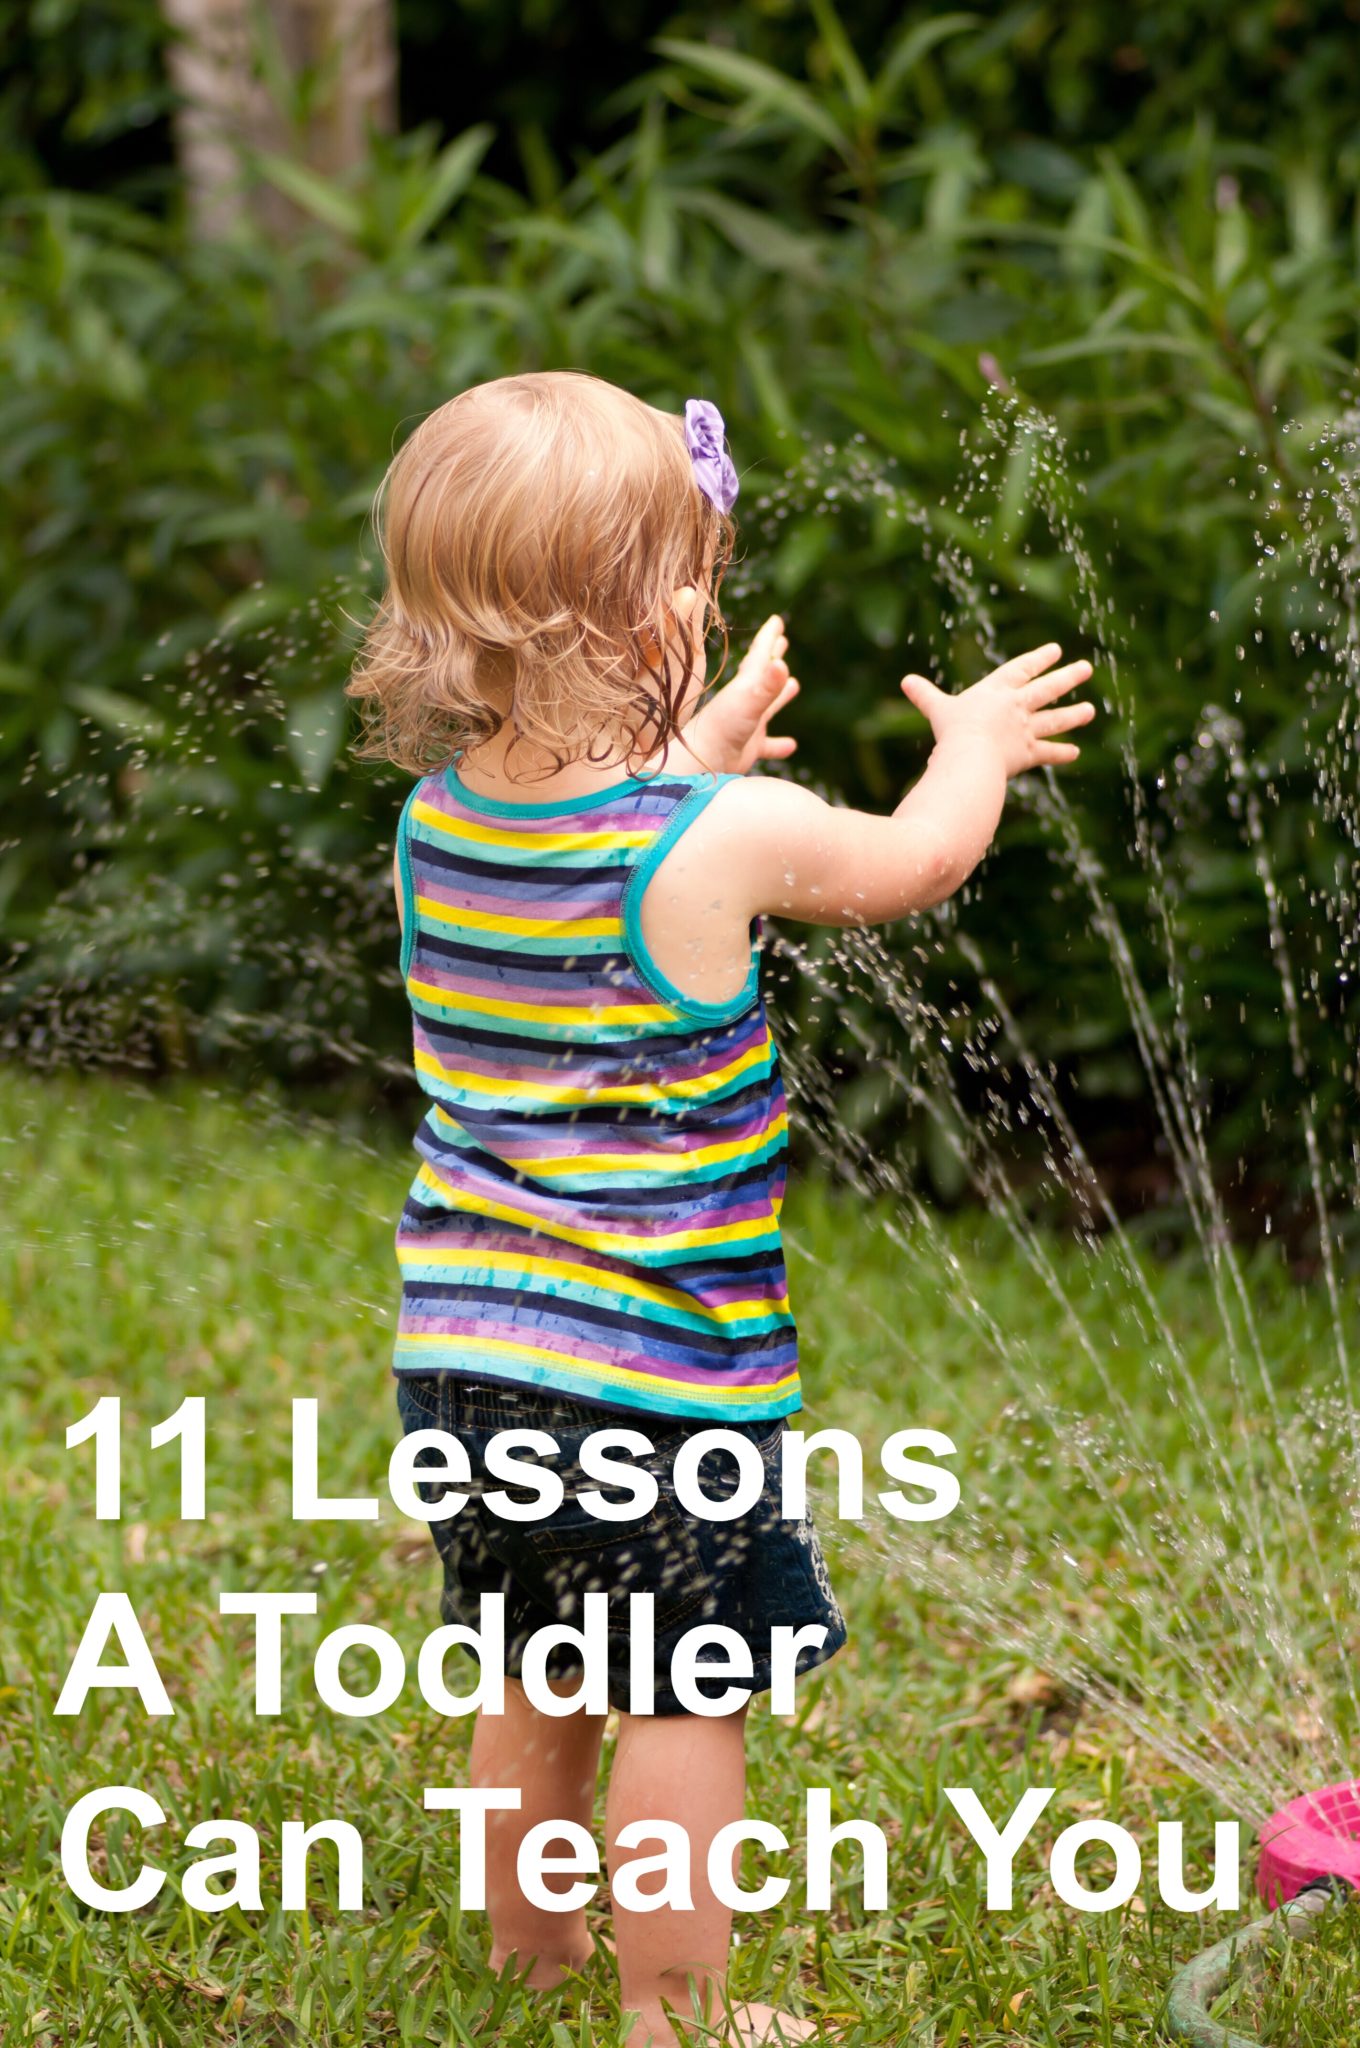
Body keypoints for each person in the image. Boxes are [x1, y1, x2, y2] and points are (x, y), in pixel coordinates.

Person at [347, 370, 1094, 2046]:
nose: (708, 596)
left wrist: (697, 740)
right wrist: (969, 746)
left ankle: (525, 1975)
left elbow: (605, 826)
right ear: (617, 621)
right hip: (657, 1382)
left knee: (544, 1675)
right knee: (687, 1702)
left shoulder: (435, 826)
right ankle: (674, 2016)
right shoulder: (727, 833)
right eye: (683, 577)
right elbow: (908, 863)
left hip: (467, 1371)